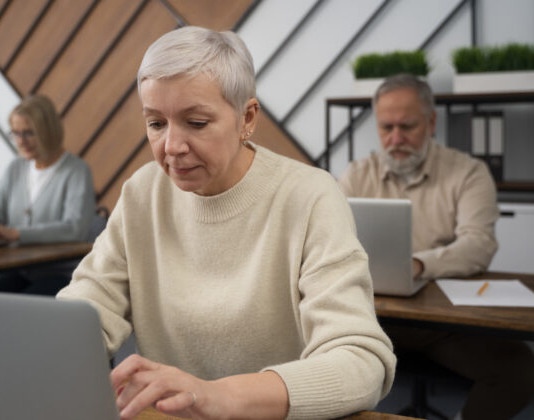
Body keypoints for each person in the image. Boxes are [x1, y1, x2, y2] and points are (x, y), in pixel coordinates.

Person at [57, 26, 395, 420]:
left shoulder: (310, 196)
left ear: (247, 117)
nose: (171, 146)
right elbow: (83, 315)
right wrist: (40, 353)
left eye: (196, 123)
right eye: (156, 123)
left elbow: (360, 363)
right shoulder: (142, 193)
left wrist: (219, 396)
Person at [337, 73, 534, 420]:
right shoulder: (357, 174)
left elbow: (479, 244)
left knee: (519, 370)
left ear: (431, 123)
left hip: (443, 325)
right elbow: (328, 239)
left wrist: (417, 265)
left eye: (407, 126)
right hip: (370, 315)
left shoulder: (468, 173)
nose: (395, 138)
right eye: (386, 128)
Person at [0, 94, 95, 296]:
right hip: (19, 271)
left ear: (48, 131)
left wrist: (15, 234)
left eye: (28, 133)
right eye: (15, 133)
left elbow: (75, 229)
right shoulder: (16, 168)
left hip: (62, 276)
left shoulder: (76, 171)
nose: (21, 141)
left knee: (16, 310)